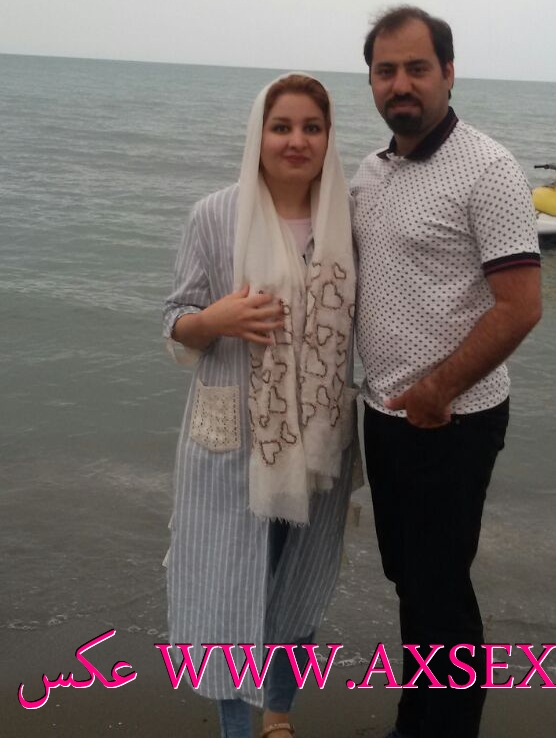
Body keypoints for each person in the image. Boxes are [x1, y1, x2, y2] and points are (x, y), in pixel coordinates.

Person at [350, 6, 543, 738]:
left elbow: (521, 306)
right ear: (372, 81)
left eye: (417, 68)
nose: (401, 84)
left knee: (441, 592)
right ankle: (415, 722)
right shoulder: (370, 172)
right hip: (385, 413)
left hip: (453, 419)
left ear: (449, 73)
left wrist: (438, 390)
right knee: (409, 580)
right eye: (386, 70)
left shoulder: (487, 169)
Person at [163, 73, 359, 738]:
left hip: (320, 440)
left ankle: (279, 713)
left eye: (312, 127)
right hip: (235, 442)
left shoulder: (349, 219)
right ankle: (237, 728)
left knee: (297, 585)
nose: (296, 140)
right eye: (282, 127)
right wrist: (212, 319)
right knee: (229, 590)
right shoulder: (217, 215)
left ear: (329, 138)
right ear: (259, 134)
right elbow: (175, 322)